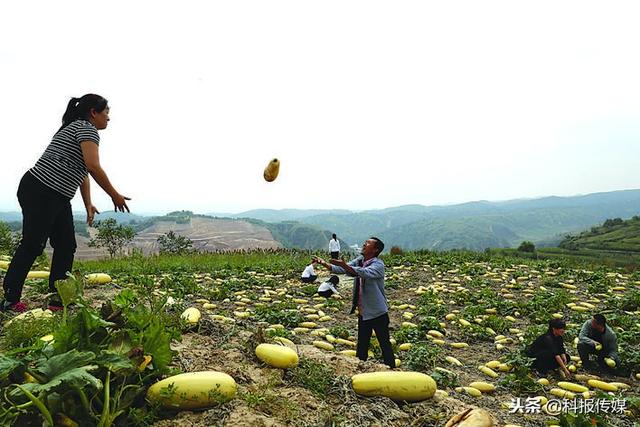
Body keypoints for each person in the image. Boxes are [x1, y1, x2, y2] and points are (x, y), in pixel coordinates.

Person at [1, 94, 130, 313]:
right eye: (106, 113)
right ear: (93, 112)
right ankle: (10, 301)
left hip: (52, 193)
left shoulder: (75, 127)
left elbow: (82, 172)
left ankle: (57, 299)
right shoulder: (86, 129)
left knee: (66, 244)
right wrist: (114, 195)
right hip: (43, 189)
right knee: (33, 244)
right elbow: (93, 167)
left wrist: (88, 203)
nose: (109, 118)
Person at [314, 237, 395, 368]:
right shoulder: (360, 261)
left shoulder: (378, 265)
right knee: (362, 344)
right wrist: (323, 263)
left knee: (384, 343)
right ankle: (360, 369)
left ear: (375, 250)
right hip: (364, 312)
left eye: (368, 243)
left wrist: (345, 265)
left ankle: (391, 369)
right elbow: (342, 269)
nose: (364, 244)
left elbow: (362, 273)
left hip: (378, 313)